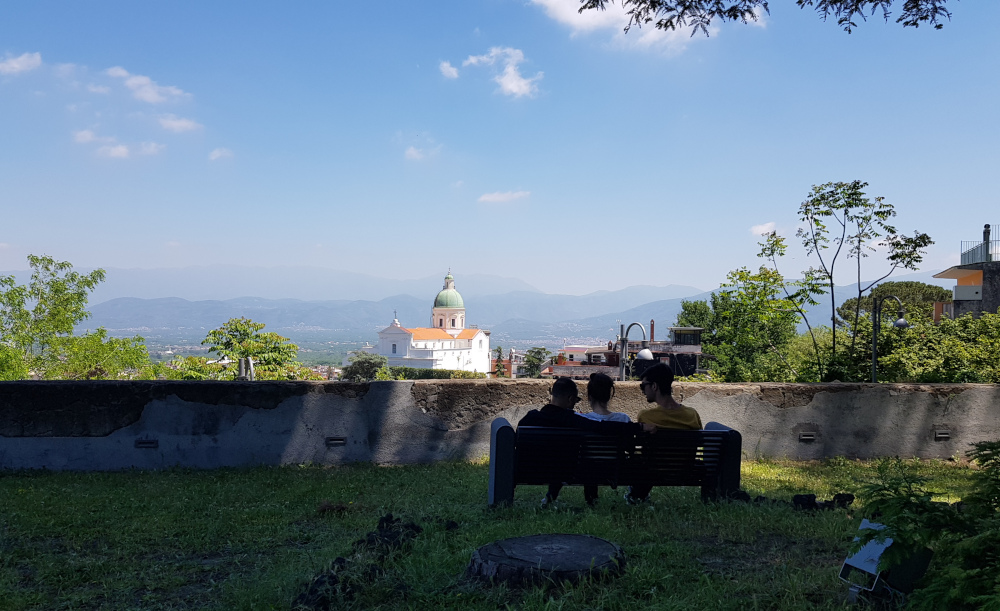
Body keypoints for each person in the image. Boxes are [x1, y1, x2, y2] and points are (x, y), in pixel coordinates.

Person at [517, 376, 644, 507]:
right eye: (576, 400)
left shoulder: (529, 418)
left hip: (528, 470)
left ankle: (551, 498)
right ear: (570, 399)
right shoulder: (572, 420)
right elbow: (600, 427)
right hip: (570, 471)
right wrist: (638, 426)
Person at [625, 363, 703, 505]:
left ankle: (637, 496)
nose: (642, 391)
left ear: (654, 386)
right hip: (685, 470)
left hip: (653, 470)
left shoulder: (646, 416)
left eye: (643, 386)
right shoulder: (692, 415)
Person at [578, 372, 630, 504]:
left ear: (589, 397)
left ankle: (591, 499)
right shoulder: (623, 419)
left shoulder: (583, 420)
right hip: (617, 469)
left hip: (589, 470)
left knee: (587, 462)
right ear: (610, 395)